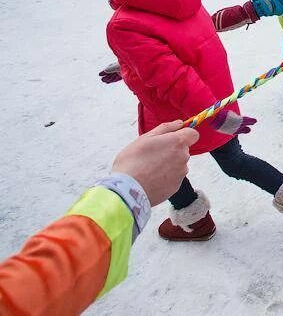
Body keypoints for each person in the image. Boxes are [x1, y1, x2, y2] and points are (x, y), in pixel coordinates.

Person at [91, 0, 283, 253]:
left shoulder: (125, 22)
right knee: (233, 161)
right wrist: (127, 64)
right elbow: (177, 47)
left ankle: (196, 219)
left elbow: (174, 78)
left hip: (181, 112)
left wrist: (219, 118)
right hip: (214, 94)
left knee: (162, 163)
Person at [0, 121, 198, 314]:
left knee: (219, 163)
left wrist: (128, 192)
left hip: (171, 133)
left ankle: (196, 218)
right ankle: (196, 217)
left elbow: (27, 295)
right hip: (163, 132)